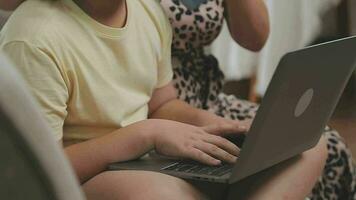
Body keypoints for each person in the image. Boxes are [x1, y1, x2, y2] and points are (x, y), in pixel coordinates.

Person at [0, 0, 328, 199]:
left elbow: (162, 103)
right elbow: (42, 171)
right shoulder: (35, 38)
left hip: (146, 160)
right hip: (88, 179)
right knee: (160, 194)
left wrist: (214, 125)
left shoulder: (145, 11)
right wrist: (146, 134)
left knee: (308, 145)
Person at [159, 0, 356, 199]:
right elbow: (156, 103)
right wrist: (232, 127)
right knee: (289, 151)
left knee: (321, 142)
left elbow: (255, 39)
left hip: (208, 94)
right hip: (164, 103)